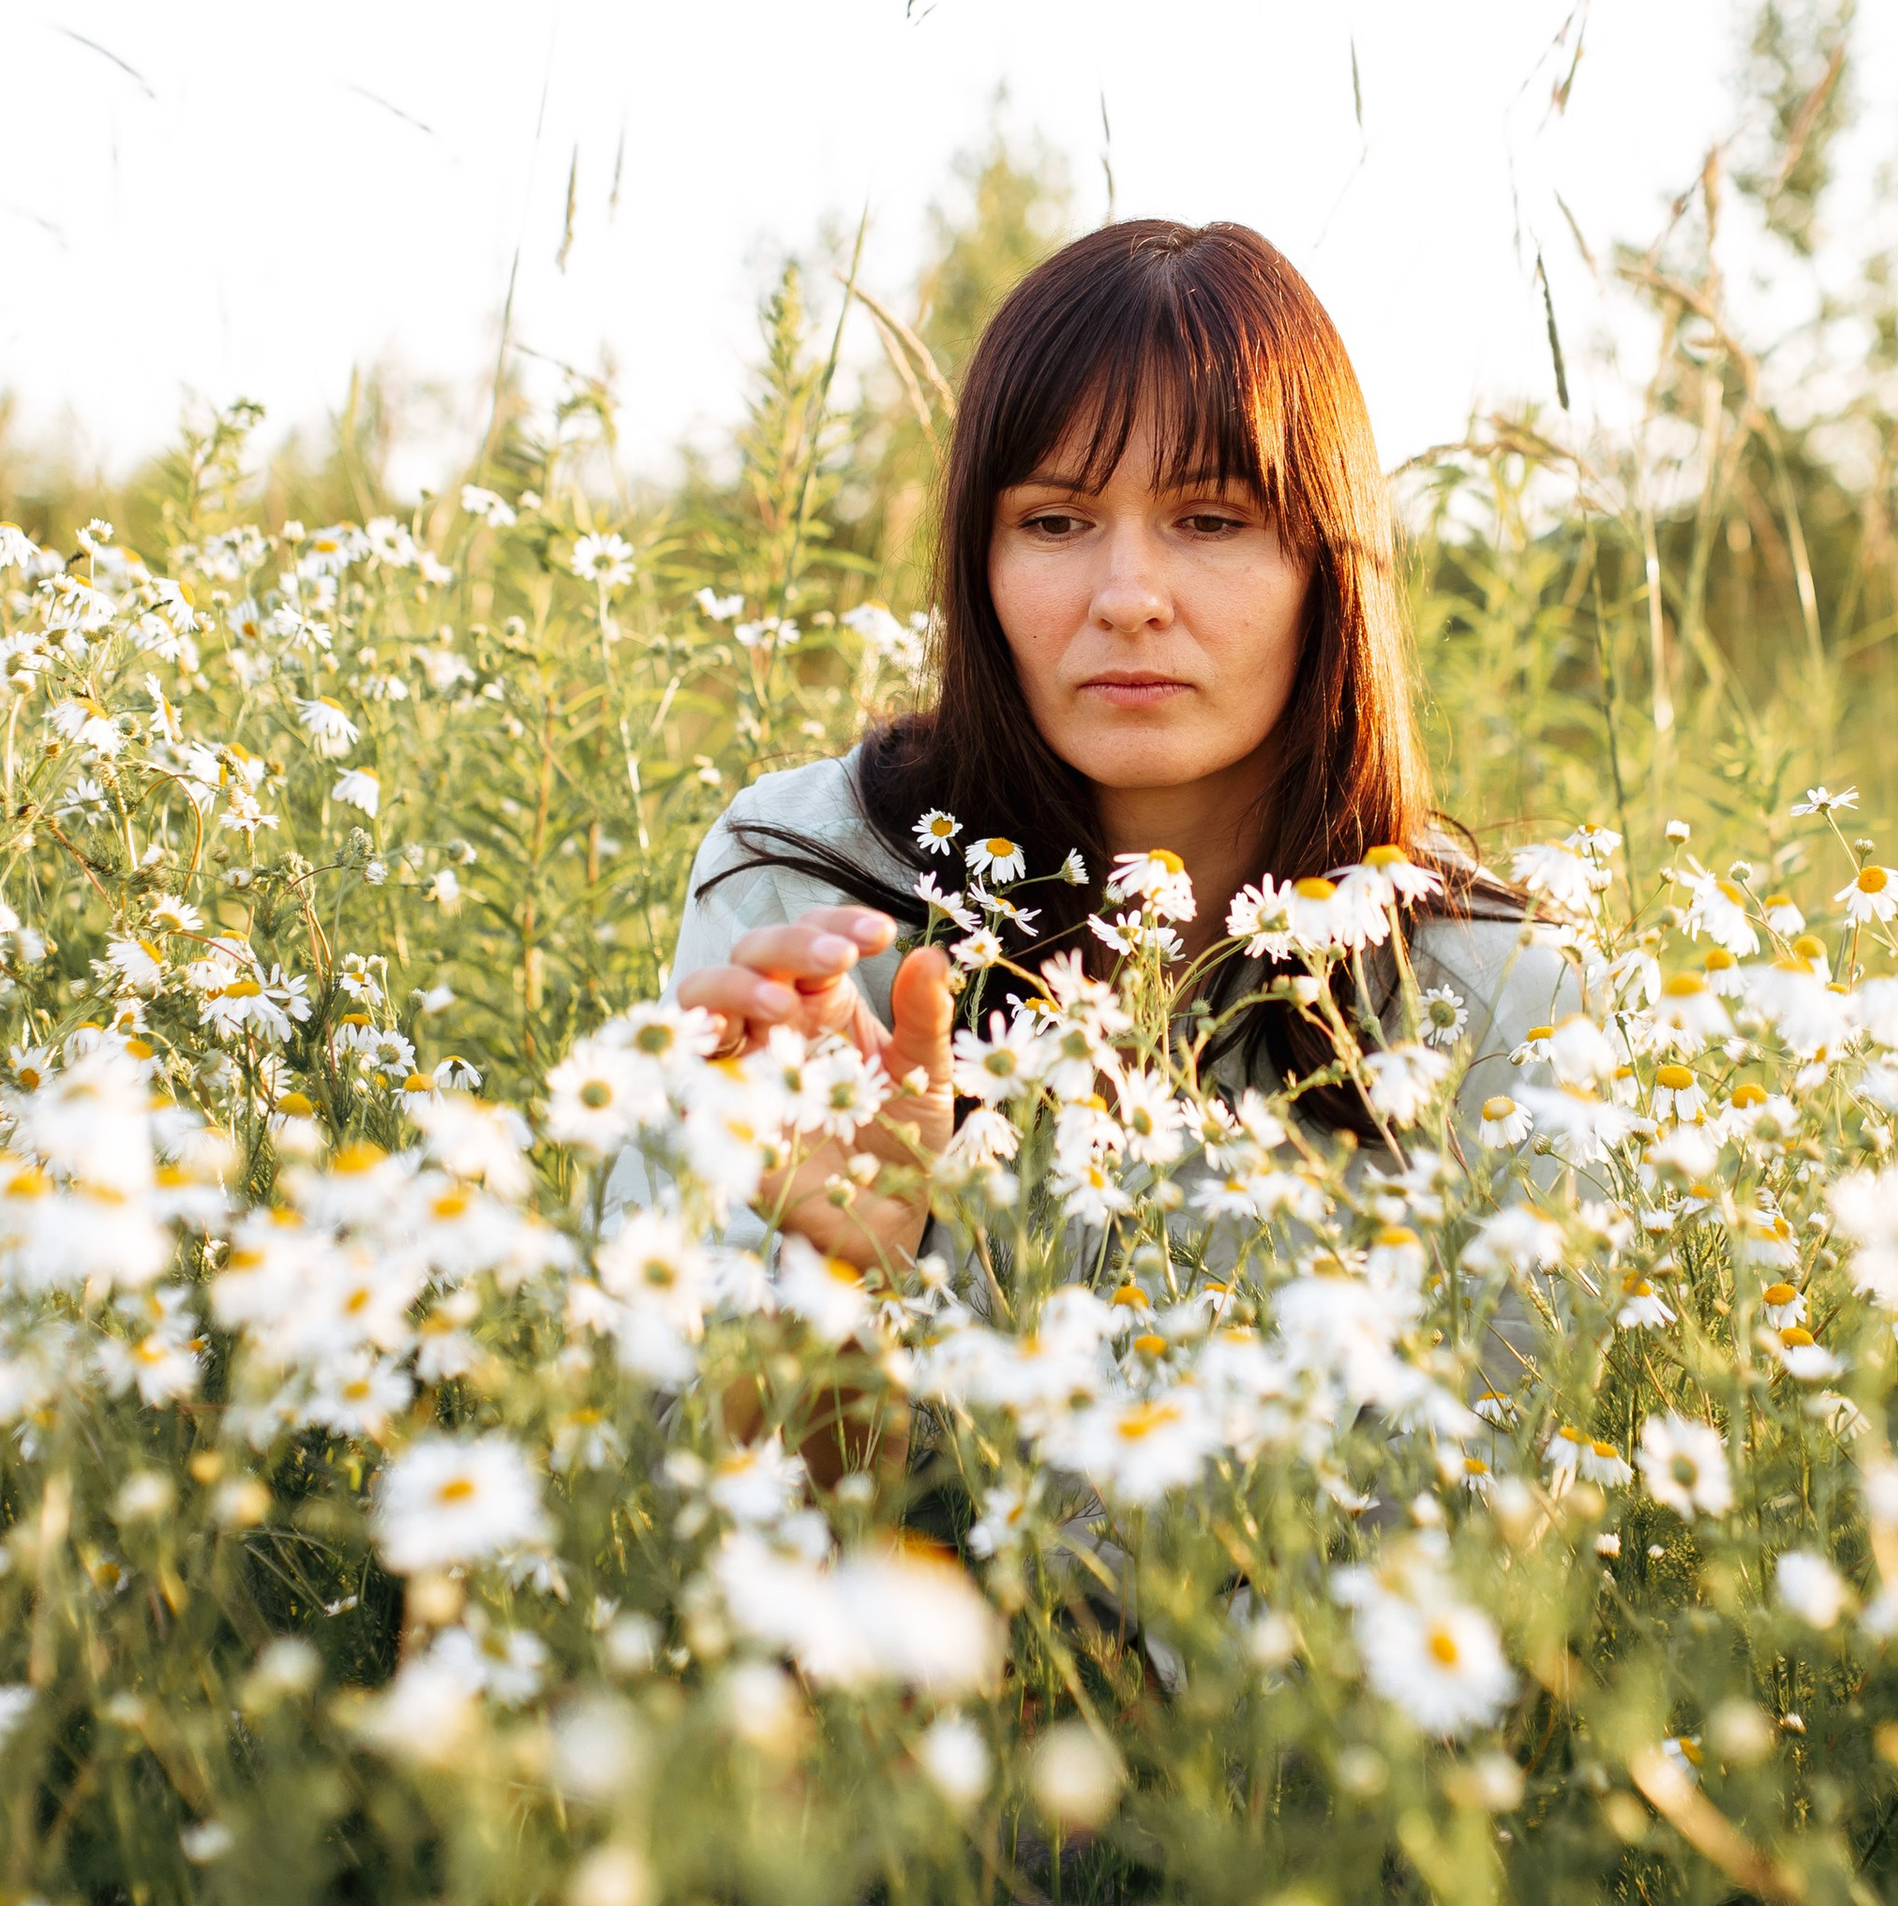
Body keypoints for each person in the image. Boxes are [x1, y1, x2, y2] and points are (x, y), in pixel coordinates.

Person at [671, 216, 1583, 1272]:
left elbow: (1527, 1430)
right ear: (980, 562)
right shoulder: (809, 903)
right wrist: (845, 1282)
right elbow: (684, 1430)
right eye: (1055, 522)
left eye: (1211, 520)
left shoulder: (1503, 994)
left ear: (1325, 570)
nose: (1128, 599)